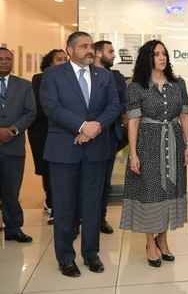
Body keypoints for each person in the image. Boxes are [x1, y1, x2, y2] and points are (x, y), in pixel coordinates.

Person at [40, 32, 121, 277]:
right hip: (64, 151)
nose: (90, 51)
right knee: (64, 207)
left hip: (95, 150)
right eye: (84, 46)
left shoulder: (104, 75)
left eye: (91, 46)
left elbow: (114, 107)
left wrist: (93, 127)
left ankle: (91, 253)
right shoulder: (53, 75)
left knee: (92, 205)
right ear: (70, 49)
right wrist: (81, 126)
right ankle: (65, 257)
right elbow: (51, 107)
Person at [120, 40, 188, 268]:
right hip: (147, 145)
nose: (162, 57)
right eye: (156, 54)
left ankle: (163, 238)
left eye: (164, 53)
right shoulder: (137, 87)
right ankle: (150, 241)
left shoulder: (178, 84)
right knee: (151, 193)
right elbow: (133, 122)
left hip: (174, 142)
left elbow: (185, 117)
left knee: (169, 192)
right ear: (147, 58)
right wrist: (133, 154)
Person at [0, 47, 37, 243]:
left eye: (8, 59)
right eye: (0, 58)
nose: (4, 62)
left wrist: (13, 130)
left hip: (13, 146)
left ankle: (13, 228)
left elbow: (31, 112)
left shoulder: (24, 85)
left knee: (11, 190)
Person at [28, 49, 68, 225]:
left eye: (65, 59)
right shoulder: (39, 79)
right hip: (43, 131)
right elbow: (41, 106)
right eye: (59, 59)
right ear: (49, 63)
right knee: (48, 169)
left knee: (61, 169)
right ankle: (52, 204)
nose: (63, 62)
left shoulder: (70, 78)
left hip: (65, 130)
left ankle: (59, 204)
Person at [93, 40, 127, 234]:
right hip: (84, 135)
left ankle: (100, 218)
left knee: (104, 181)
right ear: (98, 53)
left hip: (109, 135)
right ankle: (79, 219)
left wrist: (101, 120)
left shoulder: (117, 77)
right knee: (86, 181)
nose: (114, 55)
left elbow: (123, 104)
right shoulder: (85, 74)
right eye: (110, 51)